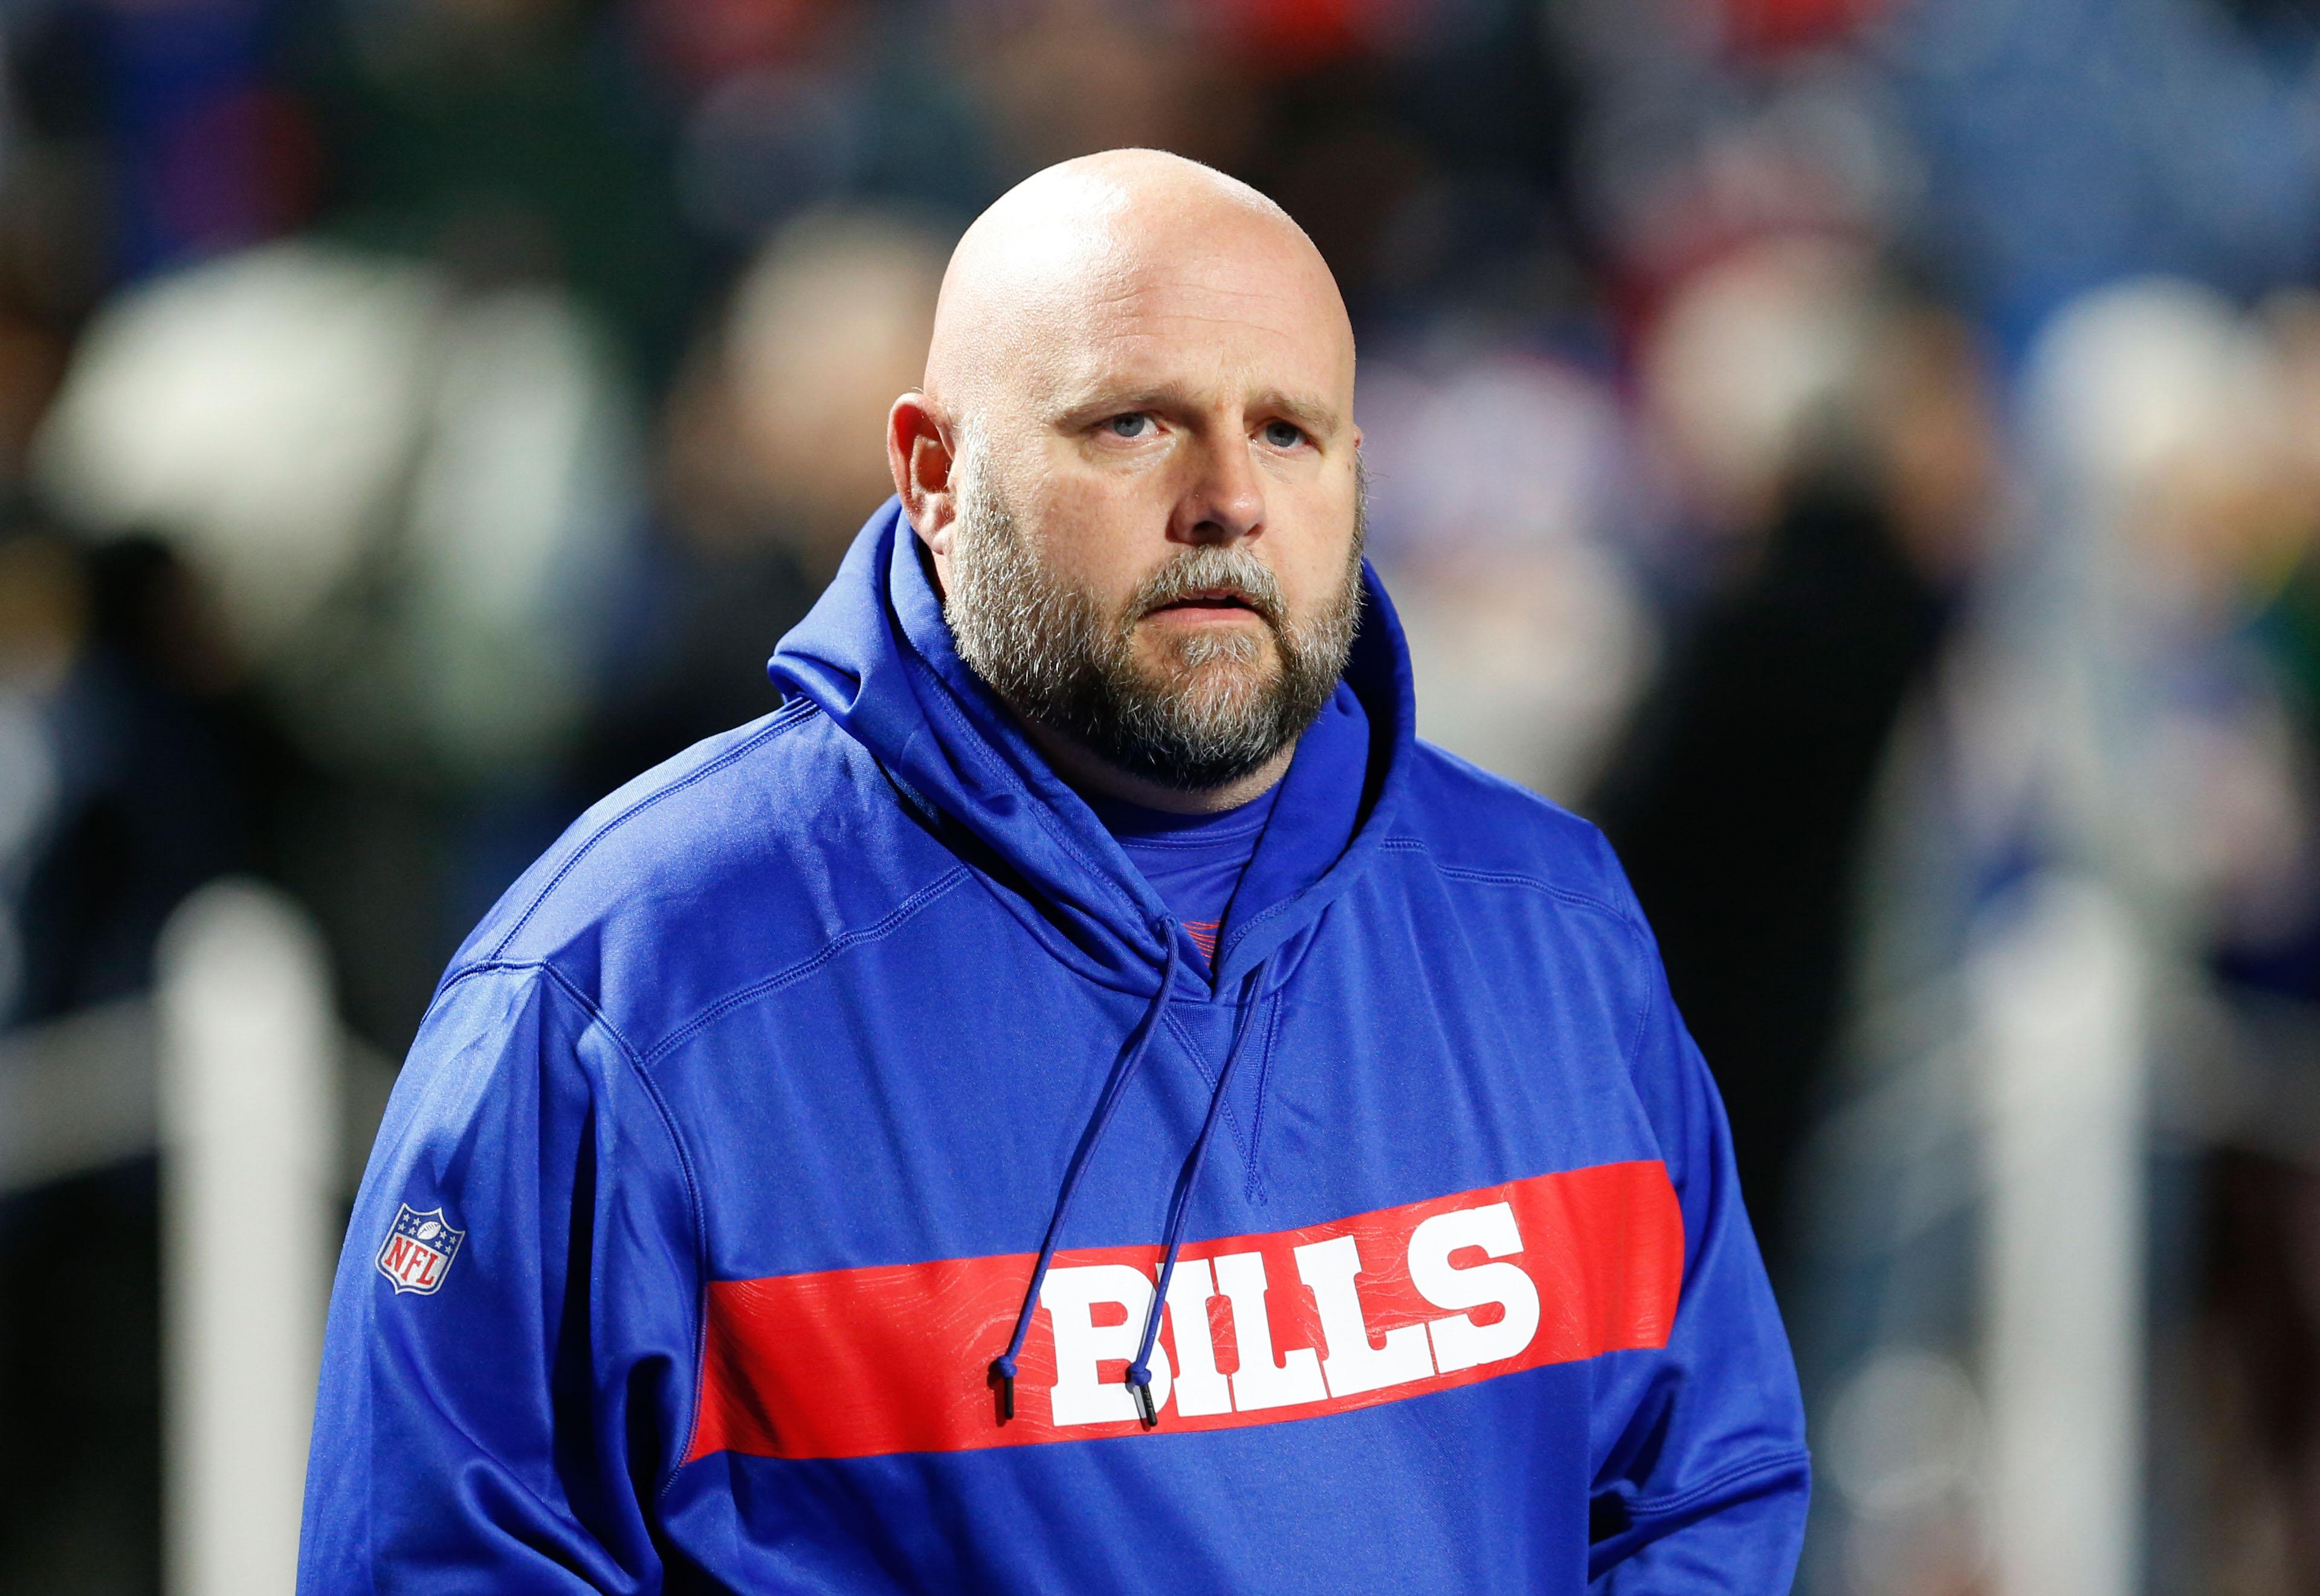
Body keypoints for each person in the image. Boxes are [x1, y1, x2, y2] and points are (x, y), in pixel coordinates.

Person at [300, 150, 1809, 1593]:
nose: (1228, 495)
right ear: (935, 472)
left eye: (1287, 429)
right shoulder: (619, 989)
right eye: (1135, 424)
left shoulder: (1548, 921)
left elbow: (1703, 1481)